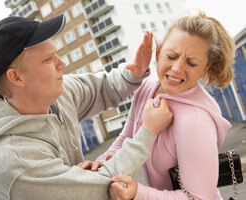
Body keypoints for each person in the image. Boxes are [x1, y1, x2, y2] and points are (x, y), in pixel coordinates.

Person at [0, 14, 173, 200]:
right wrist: (148, 131)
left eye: (56, 53)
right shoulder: (14, 161)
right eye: (48, 59)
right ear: (16, 77)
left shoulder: (54, 93)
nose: (61, 63)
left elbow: (103, 87)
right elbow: (104, 188)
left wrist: (133, 72)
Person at [88, 11, 235, 200]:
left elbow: (199, 198)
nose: (177, 69)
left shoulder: (196, 122)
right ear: (158, 52)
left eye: (191, 63)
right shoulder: (149, 85)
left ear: (204, 69)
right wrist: (99, 165)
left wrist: (138, 194)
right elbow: (127, 137)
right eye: (172, 56)